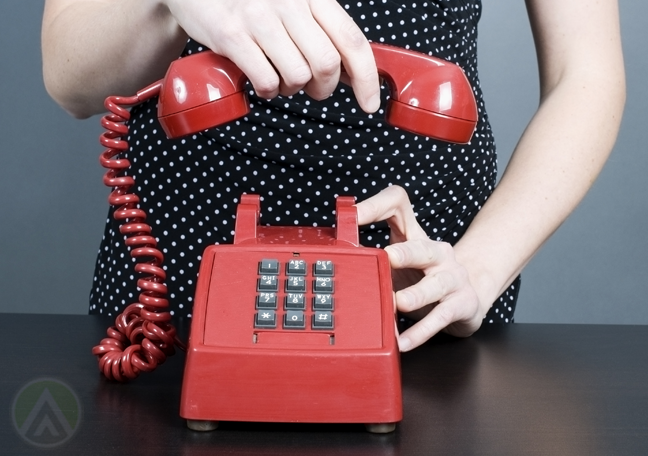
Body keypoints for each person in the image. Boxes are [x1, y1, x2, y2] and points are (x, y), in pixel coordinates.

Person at [41, 0, 625, 352]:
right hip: (173, 285)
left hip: (423, 291)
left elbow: (586, 74)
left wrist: (479, 266)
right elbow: (71, 80)